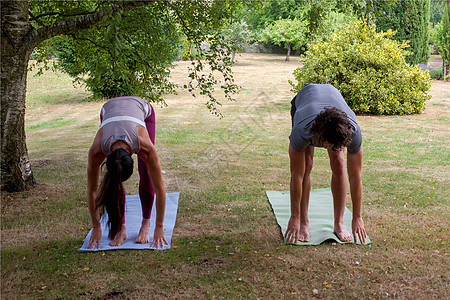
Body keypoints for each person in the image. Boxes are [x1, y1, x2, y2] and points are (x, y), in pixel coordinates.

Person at [285, 83, 367, 244]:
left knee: (338, 161)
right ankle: (303, 222)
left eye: (330, 144)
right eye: (324, 142)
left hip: (334, 101)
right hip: (305, 102)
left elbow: (355, 178)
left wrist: (357, 217)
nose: (324, 147)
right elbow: (297, 176)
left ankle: (339, 223)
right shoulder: (303, 130)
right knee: (306, 165)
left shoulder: (353, 132)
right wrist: (294, 217)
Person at [86, 95, 168, 250]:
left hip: (141, 108)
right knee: (113, 180)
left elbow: (160, 189)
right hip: (109, 110)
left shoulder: (145, 146)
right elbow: (92, 190)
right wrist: (96, 226)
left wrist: (159, 226)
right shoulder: (96, 151)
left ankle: (145, 222)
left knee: (146, 171)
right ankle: (120, 227)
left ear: (134, 159)